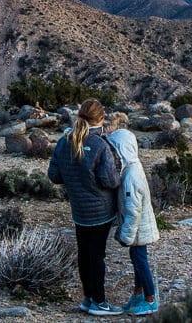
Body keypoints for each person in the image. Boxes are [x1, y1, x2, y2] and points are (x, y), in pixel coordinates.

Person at [48, 99, 122, 316]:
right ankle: (99, 301)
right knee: (97, 256)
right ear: (101, 117)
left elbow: (54, 175)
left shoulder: (63, 142)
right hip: (100, 210)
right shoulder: (100, 144)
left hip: (79, 209)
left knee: (84, 253)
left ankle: (88, 298)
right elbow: (109, 179)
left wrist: (75, 179)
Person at [108, 129, 160, 316]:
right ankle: (138, 295)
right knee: (138, 260)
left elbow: (133, 211)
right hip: (139, 229)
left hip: (138, 230)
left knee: (141, 262)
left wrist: (126, 236)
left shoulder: (130, 176)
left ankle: (150, 299)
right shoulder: (132, 168)